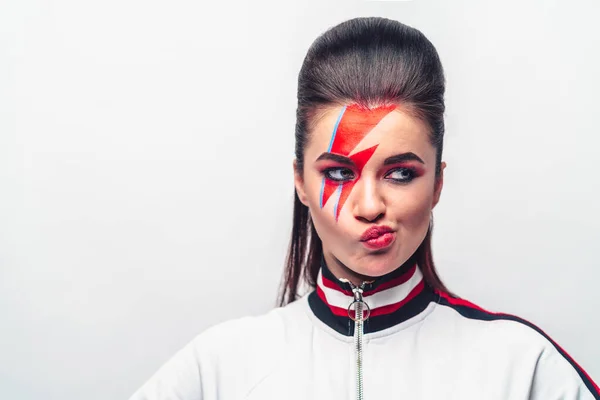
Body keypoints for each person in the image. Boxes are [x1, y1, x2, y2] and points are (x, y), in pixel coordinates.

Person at [129, 17, 599, 400]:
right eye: (337, 173)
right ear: (301, 181)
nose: (370, 206)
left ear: (437, 182)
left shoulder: (521, 367)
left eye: (400, 173)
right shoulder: (219, 368)